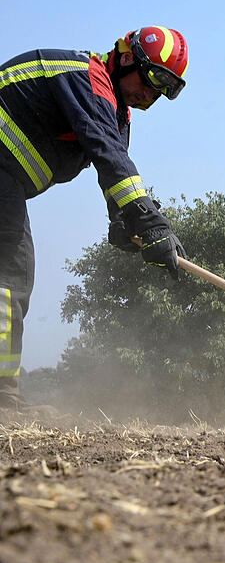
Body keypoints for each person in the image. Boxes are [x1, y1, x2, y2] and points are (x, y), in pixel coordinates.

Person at [0, 27, 189, 408]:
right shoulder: (85, 77)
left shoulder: (117, 117)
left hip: (7, 179)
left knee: (13, 273)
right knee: (10, 274)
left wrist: (125, 224)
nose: (150, 94)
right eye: (151, 78)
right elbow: (109, 156)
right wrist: (151, 223)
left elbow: (115, 175)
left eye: (163, 90)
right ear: (125, 58)